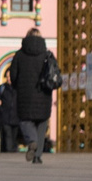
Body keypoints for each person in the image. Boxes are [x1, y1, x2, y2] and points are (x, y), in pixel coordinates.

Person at [7, 30, 60, 164]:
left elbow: (12, 75)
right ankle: (37, 156)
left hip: (25, 94)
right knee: (42, 123)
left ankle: (32, 141)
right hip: (44, 94)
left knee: (25, 120)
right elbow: (55, 73)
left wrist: (17, 86)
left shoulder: (19, 55)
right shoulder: (47, 54)